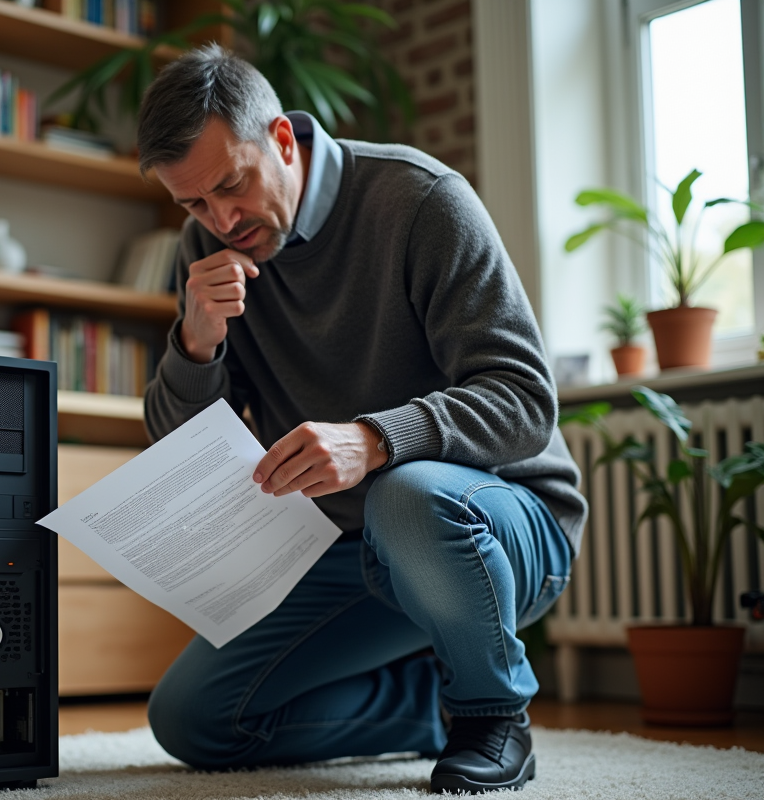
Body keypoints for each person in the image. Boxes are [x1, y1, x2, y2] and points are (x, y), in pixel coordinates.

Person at [137, 45, 586, 795]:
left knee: (405, 494)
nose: (222, 219)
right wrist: (195, 342)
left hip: (498, 527)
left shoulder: (419, 200)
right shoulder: (208, 249)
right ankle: (428, 708)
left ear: (282, 139)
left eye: (231, 186)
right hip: (346, 548)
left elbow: (525, 401)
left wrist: (376, 440)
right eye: (194, 205)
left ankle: (492, 714)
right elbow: (178, 450)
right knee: (194, 720)